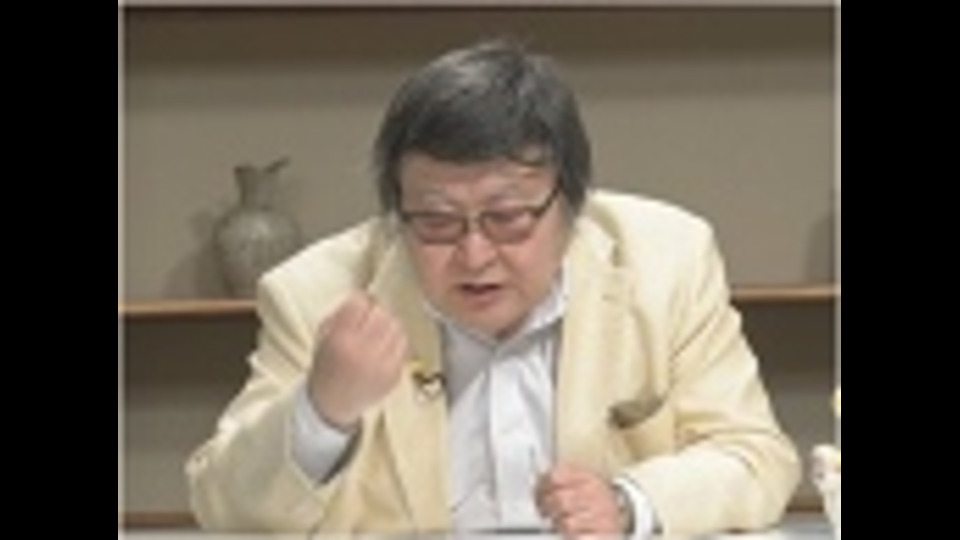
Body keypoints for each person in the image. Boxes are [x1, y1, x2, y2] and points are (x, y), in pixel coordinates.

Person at [186, 38, 801, 537]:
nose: (475, 255)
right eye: (436, 221)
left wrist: (627, 503)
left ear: (572, 203)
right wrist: (321, 411)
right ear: (396, 213)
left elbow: (756, 458)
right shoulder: (315, 293)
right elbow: (220, 508)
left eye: (507, 217)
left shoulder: (666, 260)